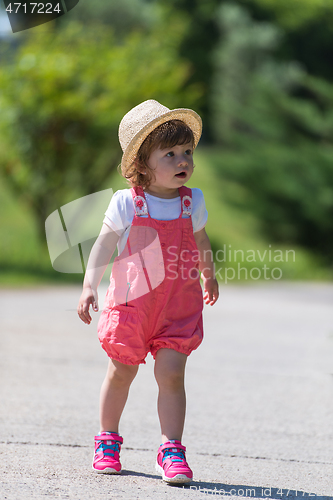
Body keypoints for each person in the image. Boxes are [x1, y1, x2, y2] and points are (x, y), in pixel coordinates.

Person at [77, 99, 219, 484]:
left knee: (172, 374)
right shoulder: (128, 203)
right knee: (121, 372)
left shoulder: (194, 202)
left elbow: (202, 242)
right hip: (132, 306)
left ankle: (170, 449)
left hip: (178, 305)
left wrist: (209, 274)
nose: (182, 161)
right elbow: (103, 245)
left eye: (187, 152)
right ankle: (107, 440)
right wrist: (90, 284)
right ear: (142, 163)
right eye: (170, 153)